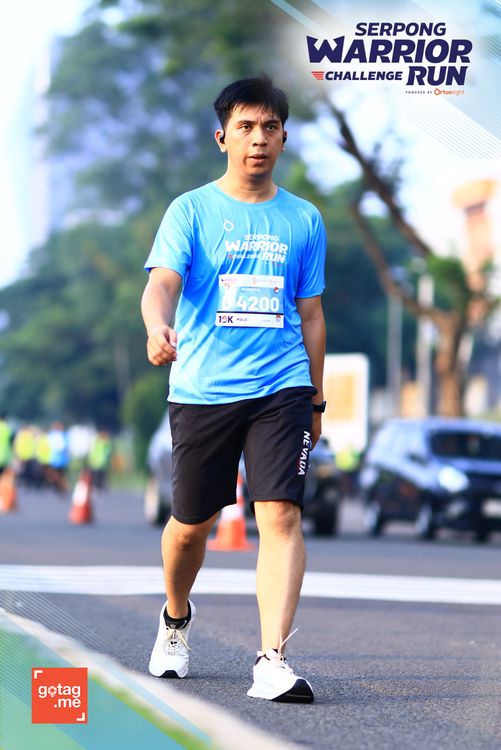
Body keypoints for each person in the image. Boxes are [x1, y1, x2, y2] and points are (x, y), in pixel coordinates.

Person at [141, 75, 326, 703]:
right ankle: (175, 617)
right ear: (222, 137)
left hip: (282, 384)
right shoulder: (191, 210)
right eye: (245, 127)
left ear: (284, 139)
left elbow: (312, 316)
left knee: (280, 513)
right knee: (191, 525)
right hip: (204, 388)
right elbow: (161, 283)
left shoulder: (304, 219)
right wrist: (157, 326)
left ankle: (272, 659)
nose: (258, 139)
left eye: (270, 127)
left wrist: (316, 397)